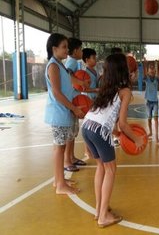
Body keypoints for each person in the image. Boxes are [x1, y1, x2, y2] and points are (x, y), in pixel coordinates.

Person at [81, 53, 145, 227]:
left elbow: (108, 117)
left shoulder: (106, 89)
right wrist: (137, 139)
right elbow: (124, 124)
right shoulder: (125, 91)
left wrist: (115, 132)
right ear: (124, 71)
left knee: (101, 166)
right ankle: (103, 216)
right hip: (99, 130)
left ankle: (98, 210)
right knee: (111, 169)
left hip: (87, 127)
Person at [44, 33, 84, 194]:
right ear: (54, 48)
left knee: (59, 147)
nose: (67, 50)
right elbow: (57, 93)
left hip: (63, 112)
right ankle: (60, 185)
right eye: (64, 47)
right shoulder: (53, 66)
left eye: (67, 47)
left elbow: (69, 89)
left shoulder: (59, 65)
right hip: (58, 113)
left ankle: (58, 180)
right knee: (59, 149)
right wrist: (74, 108)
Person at [64, 37, 86, 172]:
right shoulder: (71, 63)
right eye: (81, 49)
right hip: (71, 102)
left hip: (74, 99)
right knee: (70, 133)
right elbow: (68, 78)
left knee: (73, 133)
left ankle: (71, 157)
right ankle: (67, 160)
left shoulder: (73, 62)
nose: (82, 52)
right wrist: (81, 82)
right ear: (76, 50)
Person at [143, 58, 159, 143]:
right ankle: (150, 132)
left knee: (156, 119)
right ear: (148, 72)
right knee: (149, 119)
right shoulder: (146, 79)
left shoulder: (156, 79)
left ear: (155, 72)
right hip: (148, 102)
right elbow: (144, 72)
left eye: (153, 69)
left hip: (155, 102)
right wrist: (145, 64)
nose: (151, 70)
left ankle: (157, 135)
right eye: (150, 69)